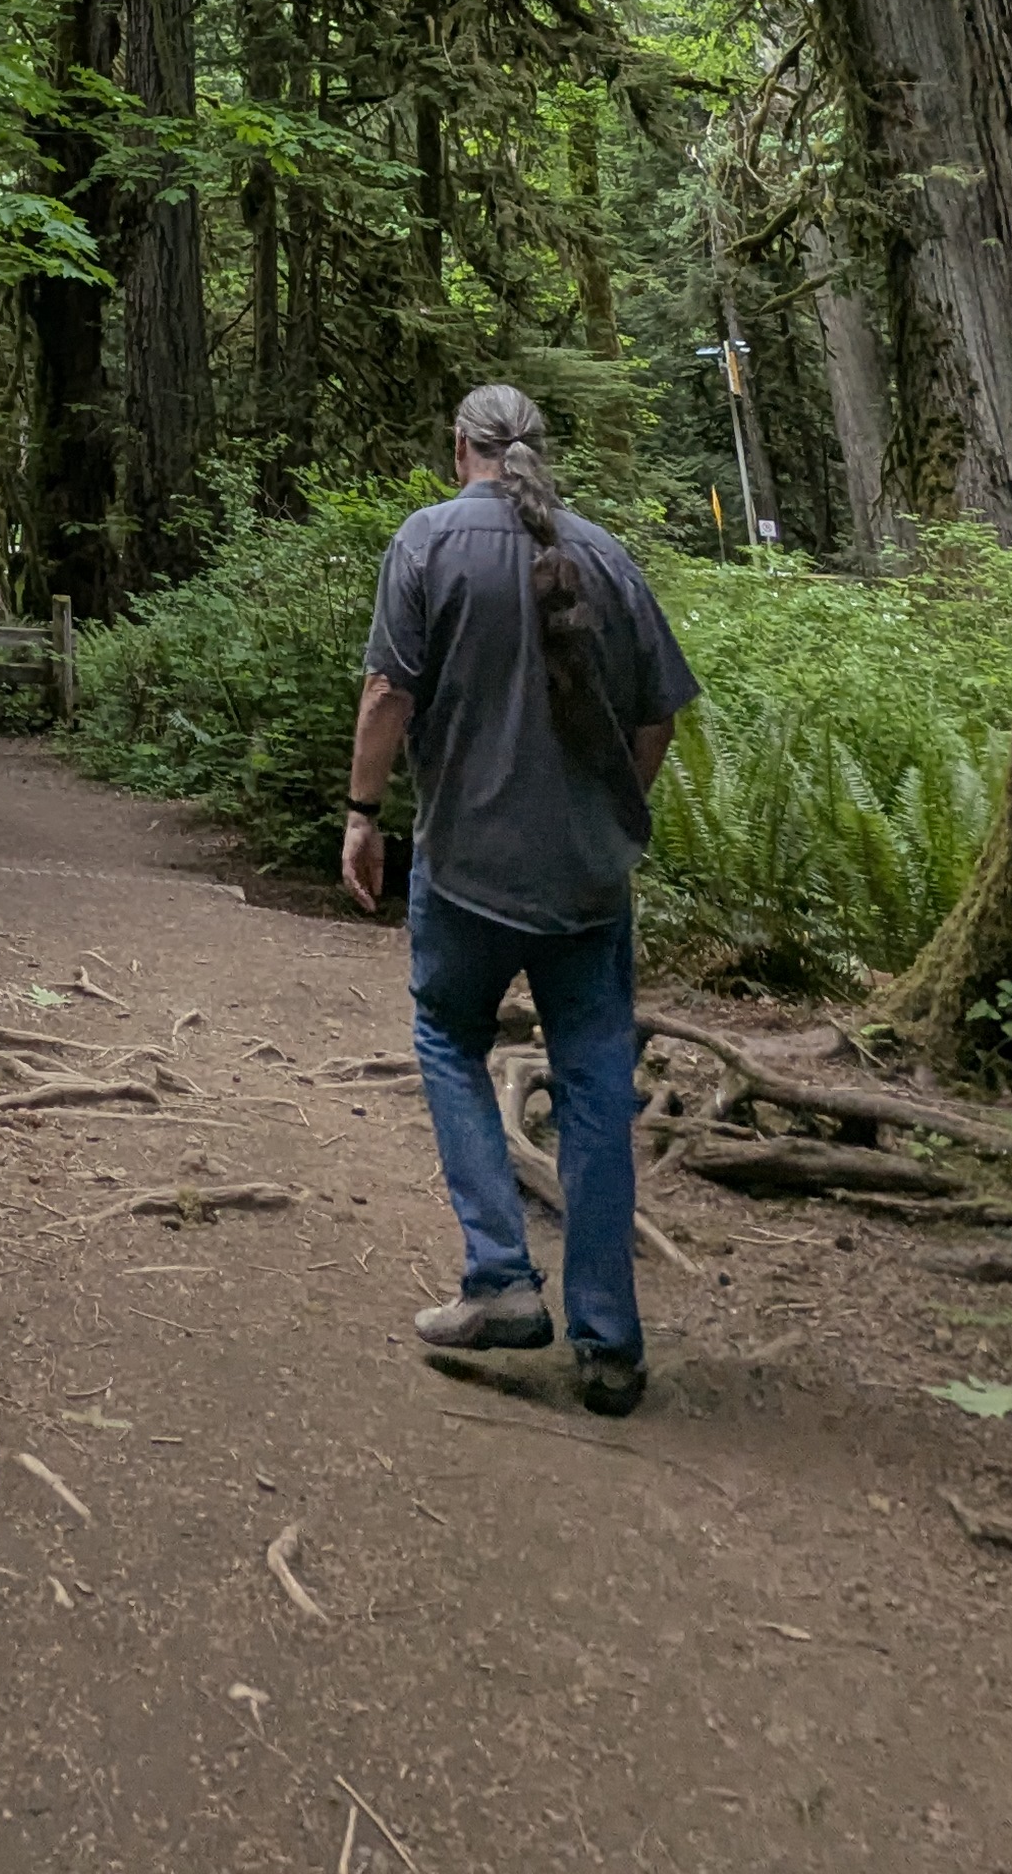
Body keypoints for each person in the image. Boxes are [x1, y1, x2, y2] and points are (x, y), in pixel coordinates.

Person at [339, 382, 698, 1418]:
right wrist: (607, 814)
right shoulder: (609, 559)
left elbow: (387, 694)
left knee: (449, 1038)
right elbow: (658, 720)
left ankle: (499, 1277)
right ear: (541, 452)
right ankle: (610, 1342)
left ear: (462, 449)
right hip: (589, 883)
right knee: (595, 1091)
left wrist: (363, 814)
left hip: (466, 871)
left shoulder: (427, 544)